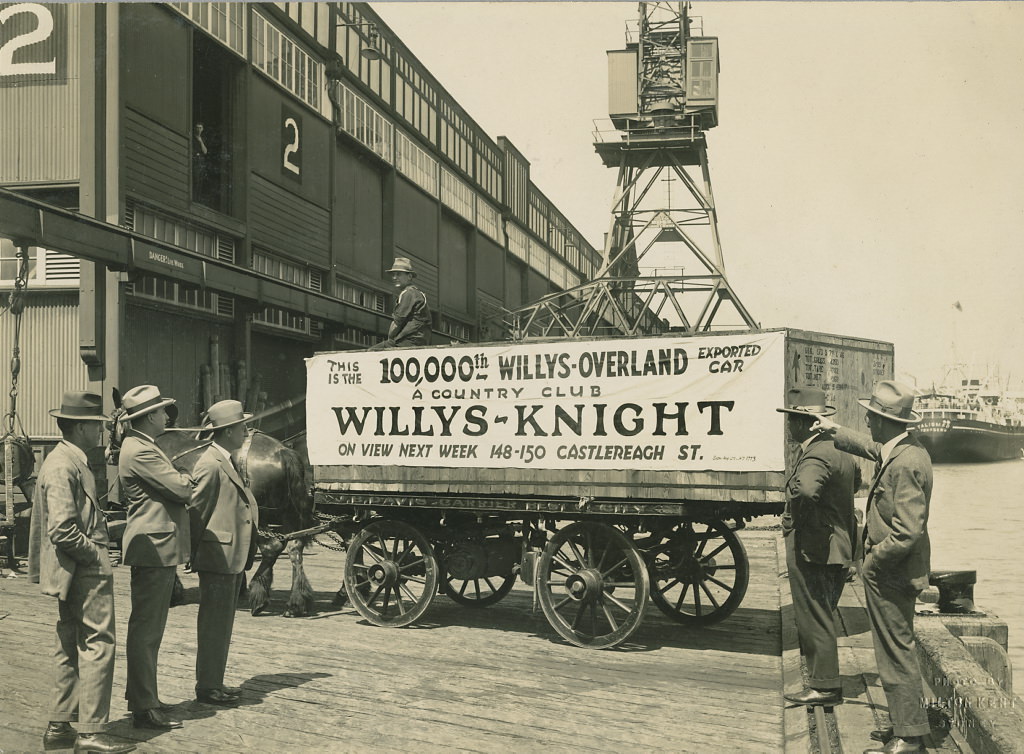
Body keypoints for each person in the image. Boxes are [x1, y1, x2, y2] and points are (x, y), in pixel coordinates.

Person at [814, 380, 932, 754]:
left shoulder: (908, 463)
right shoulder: (901, 450)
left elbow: (908, 532)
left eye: (873, 416)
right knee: (889, 649)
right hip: (892, 573)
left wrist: (871, 563)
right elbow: (871, 447)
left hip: (892, 574)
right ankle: (904, 724)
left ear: (886, 421)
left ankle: (911, 736)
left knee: (897, 651)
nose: (867, 420)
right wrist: (834, 430)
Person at [28, 392, 137, 754]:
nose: (102, 432)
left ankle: (60, 727)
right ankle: (90, 734)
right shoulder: (63, 465)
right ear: (78, 427)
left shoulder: (69, 460)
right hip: (83, 570)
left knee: (68, 644)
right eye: (96, 426)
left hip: (71, 570)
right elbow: (62, 530)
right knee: (98, 645)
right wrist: (97, 556)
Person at [118, 385, 192, 731]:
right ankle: (144, 708)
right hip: (153, 547)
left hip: (156, 546)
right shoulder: (141, 451)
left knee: (150, 629)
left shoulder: (143, 446)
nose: (167, 416)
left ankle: (144, 698)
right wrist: (187, 478)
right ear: (148, 417)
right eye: (163, 411)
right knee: (147, 630)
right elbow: (180, 488)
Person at [777, 387, 857, 709]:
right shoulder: (839, 448)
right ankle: (824, 683)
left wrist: (796, 522)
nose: (790, 425)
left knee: (814, 614)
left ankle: (824, 686)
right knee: (822, 610)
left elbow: (807, 491)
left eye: (795, 419)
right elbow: (856, 484)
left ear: (811, 423)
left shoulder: (817, 453)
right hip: (836, 544)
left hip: (815, 545)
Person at [189, 400, 259, 707]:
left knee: (222, 625)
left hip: (229, 556)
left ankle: (213, 681)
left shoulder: (225, 459)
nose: (246, 431)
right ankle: (207, 689)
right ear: (228, 430)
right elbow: (196, 512)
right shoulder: (210, 464)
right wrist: (192, 554)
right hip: (217, 556)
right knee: (214, 625)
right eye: (241, 426)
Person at [371, 257, 431, 349]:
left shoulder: (409, 293)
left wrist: (390, 341)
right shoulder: (418, 293)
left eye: (398, 274)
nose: (395, 278)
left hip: (408, 342)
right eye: (393, 275)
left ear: (409, 276)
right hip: (419, 342)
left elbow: (396, 323)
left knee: (371, 352)